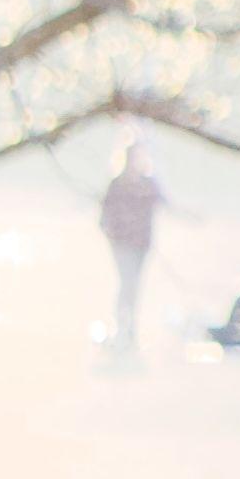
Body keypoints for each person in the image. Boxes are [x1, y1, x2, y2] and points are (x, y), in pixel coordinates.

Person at [96, 142, 167, 356]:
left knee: (134, 286)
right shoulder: (117, 184)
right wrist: (113, 236)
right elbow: (103, 217)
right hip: (121, 245)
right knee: (127, 283)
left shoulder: (148, 184)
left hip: (141, 246)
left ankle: (130, 329)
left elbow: (163, 201)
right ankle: (121, 328)